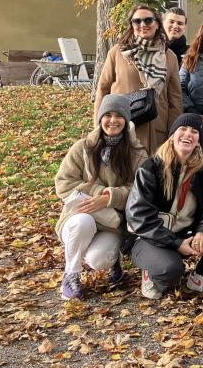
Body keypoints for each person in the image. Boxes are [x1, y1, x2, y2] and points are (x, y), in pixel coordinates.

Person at [125, 114, 203, 299]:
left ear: (198, 141)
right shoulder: (151, 168)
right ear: (172, 136)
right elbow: (138, 215)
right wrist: (175, 243)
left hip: (187, 232)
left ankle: (202, 276)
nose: (188, 134)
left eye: (194, 131)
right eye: (183, 129)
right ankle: (150, 273)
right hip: (150, 236)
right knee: (170, 271)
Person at [55, 95, 147, 300]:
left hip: (112, 222)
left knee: (99, 261)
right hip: (80, 214)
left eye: (118, 116)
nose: (113, 120)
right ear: (100, 118)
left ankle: (114, 260)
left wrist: (109, 198)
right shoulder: (83, 147)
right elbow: (63, 182)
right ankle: (71, 274)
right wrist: (97, 192)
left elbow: (141, 190)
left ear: (126, 120)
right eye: (107, 115)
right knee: (82, 223)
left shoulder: (137, 153)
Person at [95, 4, 183, 155]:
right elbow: (103, 89)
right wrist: (98, 126)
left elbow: (175, 99)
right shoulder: (118, 52)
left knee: (151, 175)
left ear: (157, 24)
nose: (143, 25)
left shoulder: (169, 56)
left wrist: (173, 132)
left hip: (156, 128)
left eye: (148, 20)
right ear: (131, 25)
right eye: (137, 21)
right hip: (122, 126)